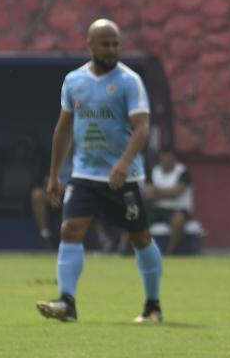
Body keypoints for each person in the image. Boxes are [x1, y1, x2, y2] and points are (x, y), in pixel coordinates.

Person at [35, 19, 164, 324]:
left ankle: (153, 306)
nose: (112, 49)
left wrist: (123, 163)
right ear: (89, 44)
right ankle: (67, 303)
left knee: (140, 238)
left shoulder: (129, 82)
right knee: (70, 230)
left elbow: (142, 127)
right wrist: (54, 175)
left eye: (116, 44)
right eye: (105, 44)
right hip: (84, 175)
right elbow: (64, 128)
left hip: (124, 176)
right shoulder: (74, 81)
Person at [146, 148, 193, 255]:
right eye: (164, 158)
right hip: (157, 209)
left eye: (169, 158)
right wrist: (169, 193)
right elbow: (148, 194)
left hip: (177, 209)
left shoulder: (183, 172)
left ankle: (169, 253)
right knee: (134, 216)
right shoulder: (154, 171)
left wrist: (157, 192)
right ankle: (127, 250)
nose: (166, 161)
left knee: (178, 220)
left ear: (174, 159)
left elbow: (177, 192)